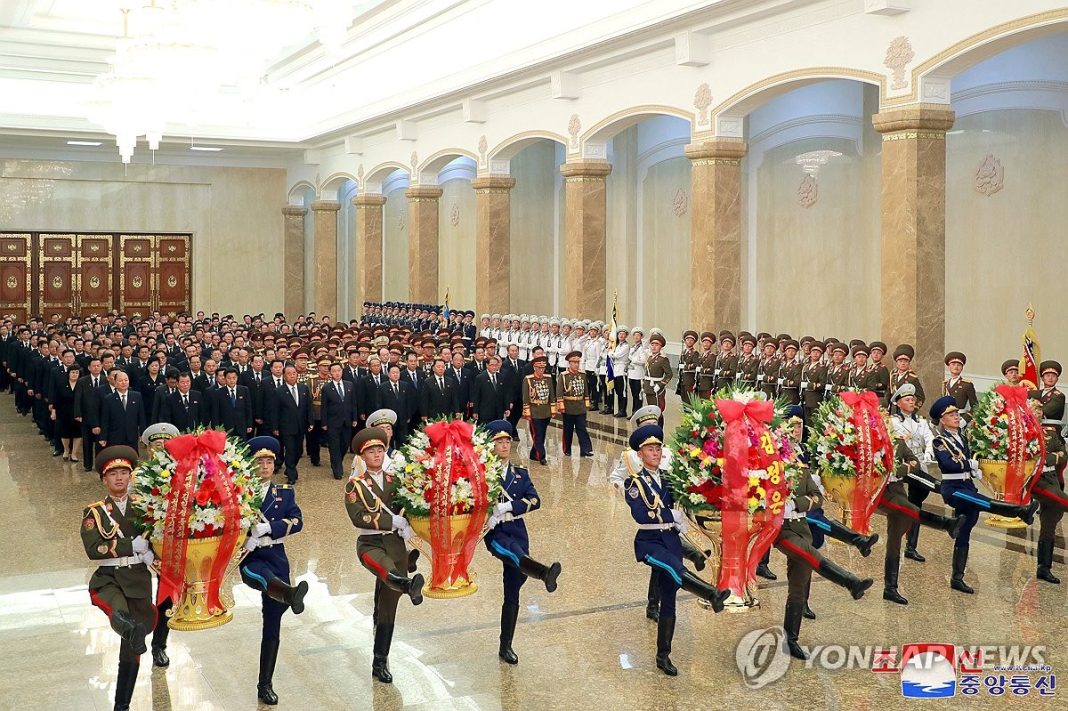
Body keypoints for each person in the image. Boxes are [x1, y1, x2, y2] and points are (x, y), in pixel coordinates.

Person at [621, 424, 728, 676]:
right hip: (649, 542)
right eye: (650, 449)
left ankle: (663, 655)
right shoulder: (633, 483)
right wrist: (670, 514)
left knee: (669, 599)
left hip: (670, 539)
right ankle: (712, 594)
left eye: (658, 448)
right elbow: (641, 513)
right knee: (673, 567)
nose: (655, 452)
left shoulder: (669, 478)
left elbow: (688, 499)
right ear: (639, 454)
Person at [774, 439, 874, 661]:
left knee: (798, 585)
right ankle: (850, 582)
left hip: (802, 527)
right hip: (782, 531)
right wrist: (801, 502)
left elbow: (818, 498)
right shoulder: (770, 472)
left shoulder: (801, 469)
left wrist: (797, 504)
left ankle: (791, 639)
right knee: (811, 556)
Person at [930, 396, 1039, 594]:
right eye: (951, 415)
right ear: (942, 419)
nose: (956, 417)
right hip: (953, 489)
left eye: (956, 413)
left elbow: (964, 461)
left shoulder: (961, 437)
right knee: (982, 502)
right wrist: (968, 465)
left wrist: (973, 470)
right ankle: (1020, 511)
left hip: (967, 485)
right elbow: (948, 464)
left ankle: (957, 578)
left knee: (965, 531)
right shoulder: (940, 441)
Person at [345, 427, 424, 684]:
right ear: (362, 456)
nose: (377, 454)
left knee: (388, 608)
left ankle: (380, 661)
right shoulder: (355, 485)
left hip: (396, 545)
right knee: (386, 570)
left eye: (380, 450)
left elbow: (408, 505)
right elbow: (359, 516)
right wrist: (393, 522)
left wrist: (410, 522)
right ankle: (407, 584)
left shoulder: (395, 480)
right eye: (371, 451)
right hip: (371, 544)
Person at [82, 445, 155, 711]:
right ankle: (129, 628)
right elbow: (94, 549)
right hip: (110, 577)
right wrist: (128, 546)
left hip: (138, 578)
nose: (120, 478)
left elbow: (156, 540)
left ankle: (121, 705)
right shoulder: (95, 512)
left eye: (125, 472)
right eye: (114, 474)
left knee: (132, 647)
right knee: (120, 613)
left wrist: (152, 554)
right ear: (104, 479)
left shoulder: (145, 507)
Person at [482, 420, 562, 663]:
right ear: (490, 446)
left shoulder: (520, 474)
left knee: (513, 590)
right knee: (515, 555)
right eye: (499, 442)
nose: (504, 446)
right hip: (496, 533)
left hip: (517, 529)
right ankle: (544, 572)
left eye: (507, 441)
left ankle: (505, 644)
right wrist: (487, 516)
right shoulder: (482, 474)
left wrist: (509, 506)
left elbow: (535, 500)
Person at [880, 384, 964, 604]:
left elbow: (920, 446)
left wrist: (920, 459)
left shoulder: (921, 422)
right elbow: (890, 467)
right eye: (907, 400)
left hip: (916, 466)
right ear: (897, 403)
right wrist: (905, 468)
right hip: (890, 486)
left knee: (904, 521)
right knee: (911, 505)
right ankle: (945, 523)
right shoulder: (892, 423)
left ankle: (894, 580)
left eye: (913, 400)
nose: (911, 403)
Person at [240, 436, 309, 705]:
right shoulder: (241, 491)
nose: (266, 466)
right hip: (252, 556)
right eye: (260, 461)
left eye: (269, 461)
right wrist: (246, 536)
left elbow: (297, 521)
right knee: (264, 578)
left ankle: (265, 684)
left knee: (272, 625)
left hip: (277, 554)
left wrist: (269, 528)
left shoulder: (285, 493)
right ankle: (289, 593)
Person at [138, 422, 181, 669]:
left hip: (174, 546)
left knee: (168, 596)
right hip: (145, 548)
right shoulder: (138, 477)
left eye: (166, 445)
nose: (161, 450)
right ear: (148, 449)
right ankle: (148, 642)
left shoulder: (183, 475)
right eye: (156, 446)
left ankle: (159, 645)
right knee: (149, 598)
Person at [273, 365, 313, 484]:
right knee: (290, 450)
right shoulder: (279, 391)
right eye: (289, 373)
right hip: (286, 426)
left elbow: (308, 407)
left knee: (299, 451)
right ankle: (291, 475)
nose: (292, 375)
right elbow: (275, 410)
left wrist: (310, 421)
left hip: (301, 425)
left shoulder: (304, 389)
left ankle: (290, 466)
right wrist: (275, 427)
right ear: (284, 376)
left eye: (294, 373)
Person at [322, 363, 359, 480]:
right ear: (330, 373)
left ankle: (338, 460)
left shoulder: (349, 385)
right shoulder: (327, 388)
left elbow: (353, 403)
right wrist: (324, 423)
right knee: (334, 447)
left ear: (342, 372)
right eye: (334, 371)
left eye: (339, 370)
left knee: (344, 445)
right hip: (333, 422)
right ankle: (337, 469)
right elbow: (324, 407)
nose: (337, 373)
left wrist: (354, 418)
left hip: (347, 421)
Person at [557, 351, 593, 457]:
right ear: (569, 363)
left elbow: (586, 390)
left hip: (580, 406)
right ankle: (567, 449)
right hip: (568, 406)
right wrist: (561, 405)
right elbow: (559, 391)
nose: (576, 365)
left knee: (581, 428)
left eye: (578, 362)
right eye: (574, 362)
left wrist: (586, 403)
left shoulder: (582, 375)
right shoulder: (564, 376)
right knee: (568, 429)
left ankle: (585, 449)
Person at [99, 371, 147, 449]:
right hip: (114, 437)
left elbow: (141, 417)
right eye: (120, 381)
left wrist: (143, 433)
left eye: (126, 380)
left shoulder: (137, 396)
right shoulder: (109, 399)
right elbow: (105, 420)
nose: (123, 383)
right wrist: (103, 437)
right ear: (115, 382)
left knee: (132, 458)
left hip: (132, 436)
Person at [522, 354, 556, 465]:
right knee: (537, 434)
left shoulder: (548, 378)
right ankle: (542, 456)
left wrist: (553, 409)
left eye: (543, 368)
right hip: (535, 411)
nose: (541, 370)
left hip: (546, 411)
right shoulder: (528, 380)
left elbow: (551, 394)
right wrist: (527, 412)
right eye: (539, 368)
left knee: (542, 434)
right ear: (534, 368)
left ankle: (533, 453)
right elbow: (526, 397)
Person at [642, 332, 673, 421]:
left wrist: (660, 384)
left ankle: (659, 431)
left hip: (657, 389)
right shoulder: (649, 357)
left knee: (658, 411)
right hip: (649, 388)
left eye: (657, 345)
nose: (654, 347)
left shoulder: (663, 359)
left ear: (661, 347)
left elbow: (669, 374)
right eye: (652, 344)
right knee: (651, 411)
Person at [53, 365, 82, 461]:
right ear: (68, 374)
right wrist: (54, 411)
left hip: (78, 413)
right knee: (65, 432)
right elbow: (56, 400)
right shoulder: (62, 384)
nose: (75, 374)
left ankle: (74, 454)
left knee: (78, 433)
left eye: (77, 373)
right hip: (64, 412)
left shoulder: (82, 385)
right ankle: (66, 450)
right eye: (73, 372)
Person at [942, 352, 978, 419]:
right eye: (953, 364)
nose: (956, 367)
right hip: (946, 418)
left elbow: (975, 406)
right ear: (949, 366)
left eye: (958, 365)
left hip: (959, 417)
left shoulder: (967, 385)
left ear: (962, 368)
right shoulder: (945, 384)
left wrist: (966, 419)